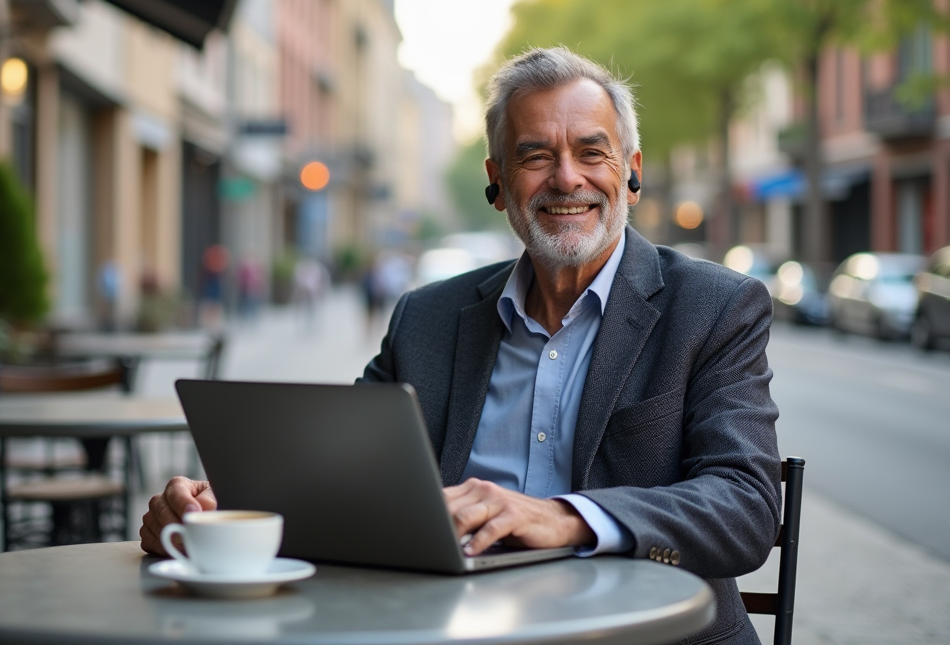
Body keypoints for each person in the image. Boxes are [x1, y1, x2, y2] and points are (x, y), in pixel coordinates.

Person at [141, 47, 779, 645]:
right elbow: (340, 481)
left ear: (631, 173)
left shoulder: (716, 308)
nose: (566, 179)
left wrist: (565, 517)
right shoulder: (427, 317)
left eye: (592, 152)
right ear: (497, 182)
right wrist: (225, 511)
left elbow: (746, 508)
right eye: (535, 157)